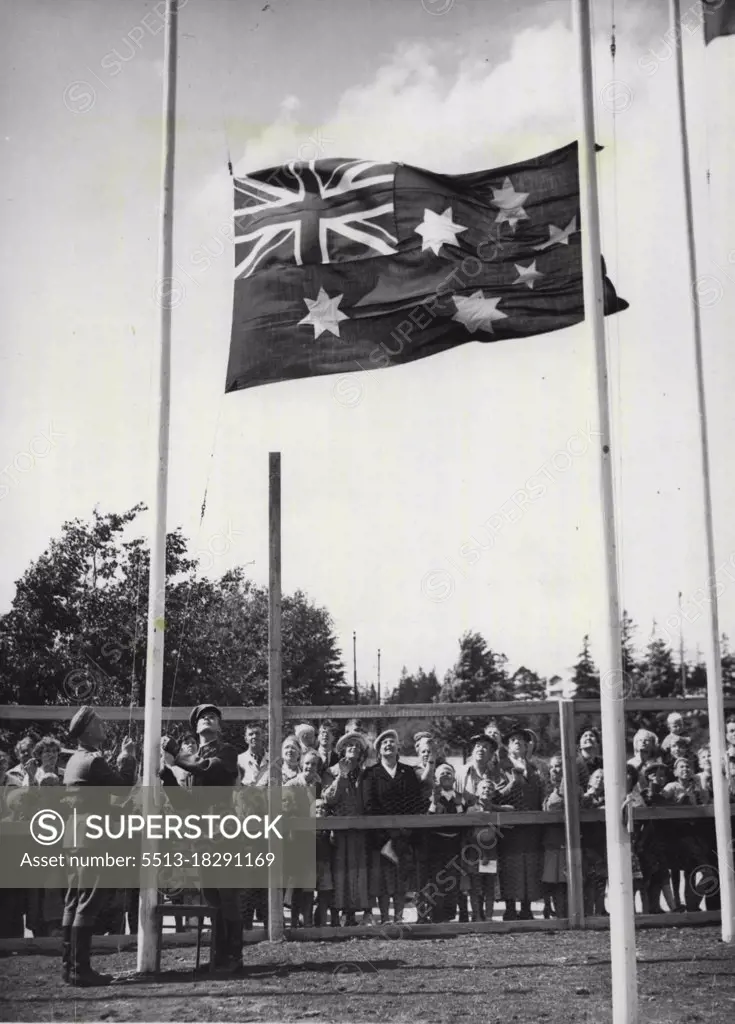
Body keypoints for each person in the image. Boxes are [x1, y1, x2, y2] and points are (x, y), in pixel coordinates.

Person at [159, 703, 243, 973]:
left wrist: (176, 755)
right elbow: (187, 804)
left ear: (219, 727)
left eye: (214, 717)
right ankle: (218, 955)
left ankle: (234, 957)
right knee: (211, 897)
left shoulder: (226, 752)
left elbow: (210, 768)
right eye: (203, 717)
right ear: (195, 729)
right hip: (202, 834)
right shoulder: (192, 762)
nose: (208, 718)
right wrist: (168, 777)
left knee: (227, 894)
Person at [61, 707, 137, 986]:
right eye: (98, 722)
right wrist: (127, 758)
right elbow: (124, 787)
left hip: (74, 838)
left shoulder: (75, 760)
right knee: (88, 902)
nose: (103, 725)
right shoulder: (93, 760)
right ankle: (81, 970)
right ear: (88, 730)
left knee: (73, 901)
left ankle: (69, 967)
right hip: (92, 839)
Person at [362, 729, 422, 925]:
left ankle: (398, 917)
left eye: (391, 742)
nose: (388, 745)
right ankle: (385, 918)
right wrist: (385, 836)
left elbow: (415, 803)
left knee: (400, 880)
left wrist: (405, 832)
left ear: (398, 748)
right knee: (382, 882)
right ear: (378, 750)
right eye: (383, 743)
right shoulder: (371, 774)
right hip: (381, 839)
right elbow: (369, 805)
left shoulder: (408, 772)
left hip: (404, 836)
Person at [495, 723, 545, 921]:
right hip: (509, 828)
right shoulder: (501, 768)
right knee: (510, 866)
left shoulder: (534, 768)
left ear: (527, 747)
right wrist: (512, 784)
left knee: (530, 866)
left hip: (531, 826)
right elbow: (496, 797)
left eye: (522, 742)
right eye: (514, 741)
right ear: (508, 746)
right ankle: (509, 907)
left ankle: (526, 907)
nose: (518, 744)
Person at [321, 730, 371, 926]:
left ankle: (365, 910)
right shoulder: (331, 772)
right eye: (349, 745)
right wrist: (341, 777)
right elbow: (328, 798)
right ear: (342, 750)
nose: (353, 748)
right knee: (341, 870)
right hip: (340, 830)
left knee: (361, 869)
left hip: (362, 829)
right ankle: (344, 912)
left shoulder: (367, 772)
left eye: (357, 746)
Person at [464, 777, 513, 922]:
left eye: (490, 788)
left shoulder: (495, 809)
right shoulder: (471, 809)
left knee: (489, 887)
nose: (487, 790)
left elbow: (511, 810)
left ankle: (489, 917)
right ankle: (477, 916)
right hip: (474, 853)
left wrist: (493, 808)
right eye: (484, 788)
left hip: (491, 854)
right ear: (477, 791)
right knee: (475, 887)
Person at [422, 763, 465, 923]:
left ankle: (449, 916)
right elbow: (427, 819)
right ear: (436, 779)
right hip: (436, 845)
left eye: (449, 772)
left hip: (454, 844)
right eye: (442, 773)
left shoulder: (459, 797)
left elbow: (463, 821)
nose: (446, 775)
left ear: (454, 778)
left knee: (452, 880)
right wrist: (434, 802)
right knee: (436, 881)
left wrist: (460, 805)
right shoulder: (431, 796)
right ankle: (435, 915)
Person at [542, 754, 567, 919]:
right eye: (552, 767)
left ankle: (563, 911)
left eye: (559, 766)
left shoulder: (572, 788)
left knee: (563, 879)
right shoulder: (543, 787)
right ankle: (547, 909)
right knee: (549, 879)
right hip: (548, 839)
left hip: (567, 839)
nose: (555, 770)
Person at [580, 768, 608, 916]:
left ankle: (601, 909)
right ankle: (589, 911)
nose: (599, 780)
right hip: (587, 842)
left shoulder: (608, 798)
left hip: (603, 841)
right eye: (596, 777)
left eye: (603, 778)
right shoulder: (585, 798)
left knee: (602, 878)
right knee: (590, 879)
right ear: (590, 780)